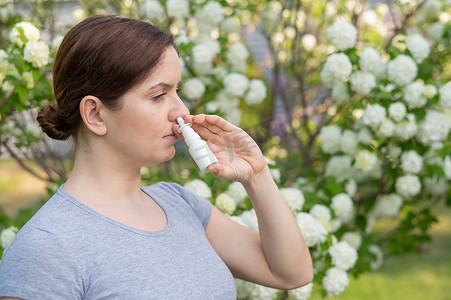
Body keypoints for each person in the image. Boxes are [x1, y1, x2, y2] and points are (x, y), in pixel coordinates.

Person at [0, 15, 313, 299]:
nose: (181, 111)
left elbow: (290, 273)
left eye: (177, 90)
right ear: (95, 114)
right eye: (159, 95)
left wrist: (257, 175)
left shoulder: (180, 204)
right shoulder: (47, 247)